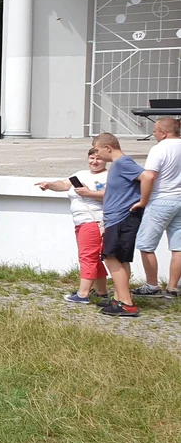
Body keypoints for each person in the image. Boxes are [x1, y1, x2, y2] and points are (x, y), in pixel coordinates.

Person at [35, 148, 109, 304]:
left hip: (94, 221)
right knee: (94, 257)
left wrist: (89, 193)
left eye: (99, 159)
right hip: (81, 221)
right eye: (91, 158)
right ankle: (102, 292)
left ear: (106, 159)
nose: (94, 162)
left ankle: (83, 294)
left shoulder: (108, 176)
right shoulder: (81, 174)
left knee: (87, 257)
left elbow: (111, 196)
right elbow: (63, 184)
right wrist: (49, 185)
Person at [92, 133, 144, 317]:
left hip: (122, 218)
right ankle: (120, 298)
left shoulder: (123, 162)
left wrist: (142, 201)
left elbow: (147, 177)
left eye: (98, 151)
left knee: (111, 257)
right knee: (120, 259)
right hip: (117, 218)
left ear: (108, 147)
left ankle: (127, 303)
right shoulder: (118, 165)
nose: (97, 155)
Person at [132, 117, 181, 298]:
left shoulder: (159, 149)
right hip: (180, 199)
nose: (153, 134)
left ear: (163, 133)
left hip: (161, 199)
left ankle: (152, 285)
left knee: (146, 244)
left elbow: (150, 176)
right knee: (178, 246)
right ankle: (173, 288)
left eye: (154, 131)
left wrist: (143, 200)